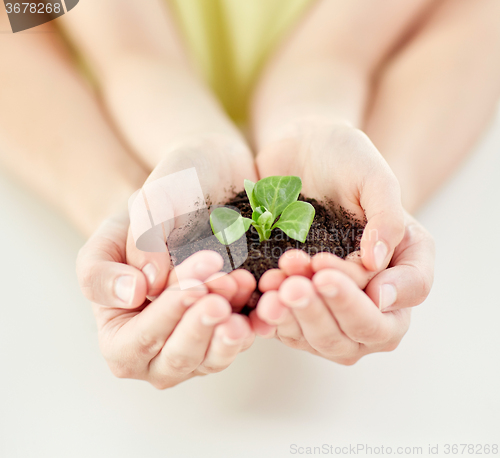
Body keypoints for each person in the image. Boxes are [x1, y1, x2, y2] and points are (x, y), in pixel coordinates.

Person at [1, 0, 499, 389]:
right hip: (88, 97)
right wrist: (125, 194)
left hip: (380, 76)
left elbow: (343, 48)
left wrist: (375, 184)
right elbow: (117, 49)